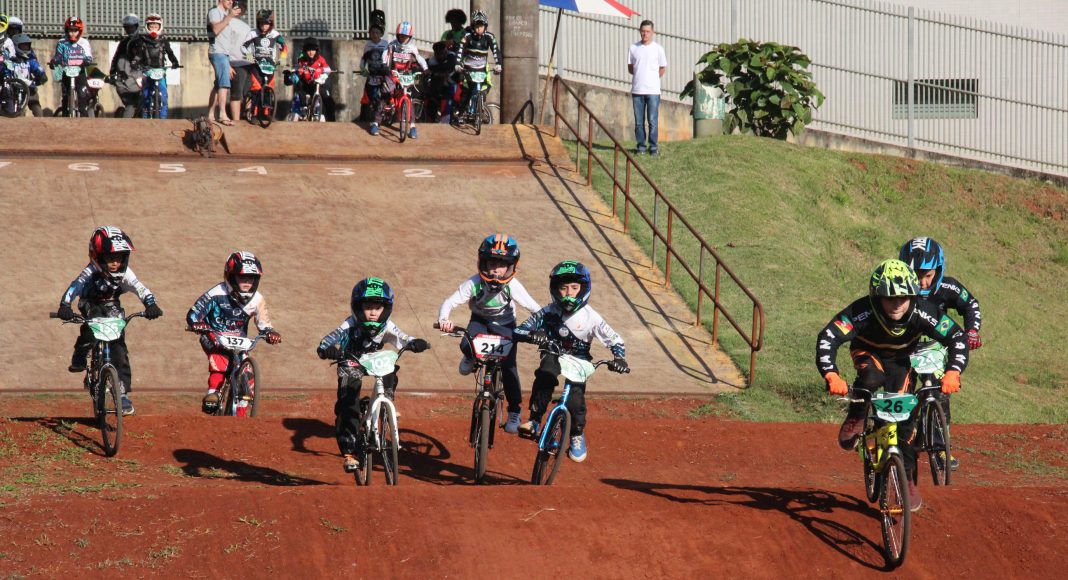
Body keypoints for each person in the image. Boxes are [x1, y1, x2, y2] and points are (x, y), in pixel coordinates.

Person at [816, 259, 970, 512]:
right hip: (868, 353)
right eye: (890, 298)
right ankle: (857, 413)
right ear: (877, 297)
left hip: (902, 360)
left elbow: (956, 336)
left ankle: (907, 480)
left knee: (905, 422)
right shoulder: (861, 311)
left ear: (913, 296)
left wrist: (953, 371)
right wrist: (831, 375)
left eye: (904, 297)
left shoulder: (923, 311)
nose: (897, 304)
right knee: (871, 378)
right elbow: (829, 336)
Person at [513, 261, 629, 462]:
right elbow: (519, 330)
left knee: (576, 399)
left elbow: (615, 339)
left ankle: (576, 434)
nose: (569, 293)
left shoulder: (591, 317)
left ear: (583, 289)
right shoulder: (548, 311)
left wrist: (619, 358)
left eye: (574, 288)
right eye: (563, 288)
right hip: (553, 352)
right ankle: (534, 420)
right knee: (545, 374)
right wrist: (533, 334)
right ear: (555, 289)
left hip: (580, 360)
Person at [317, 278, 430, 473]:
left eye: (377, 308)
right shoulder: (350, 323)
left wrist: (415, 343)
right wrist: (325, 348)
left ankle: (386, 404)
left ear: (386, 309)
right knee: (348, 402)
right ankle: (349, 452)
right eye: (367, 307)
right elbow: (331, 337)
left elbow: (402, 337)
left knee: (390, 370)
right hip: (351, 360)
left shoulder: (387, 325)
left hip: (374, 361)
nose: (372, 312)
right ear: (357, 307)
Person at [438, 234, 541, 434]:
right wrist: (444, 319)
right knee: (467, 344)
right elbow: (449, 302)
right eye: (492, 263)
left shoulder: (512, 285)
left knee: (509, 367)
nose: (496, 270)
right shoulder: (474, 282)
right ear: (483, 263)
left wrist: (540, 328)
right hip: (480, 321)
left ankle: (514, 411)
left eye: (502, 265)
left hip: (506, 325)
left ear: (512, 267)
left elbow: (535, 309)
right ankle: (471, 357)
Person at [57, 227, 164, 417]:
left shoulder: (125, 272)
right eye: (109, 257)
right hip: (90, 303)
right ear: (97, 256)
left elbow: (140, 288)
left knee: (119, 348)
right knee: (91, 326)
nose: (115, 262)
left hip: (112, 304)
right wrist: (65, 305)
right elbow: (74, 287)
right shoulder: (90, 271)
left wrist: (151, 304)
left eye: (119, 257)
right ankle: (81, 352)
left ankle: (122, 395)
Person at [898, 236, 982, 471]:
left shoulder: (948, 287)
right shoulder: (896, 290)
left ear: (939, 269)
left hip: (935, 349)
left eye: (928, 275)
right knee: (902, 394)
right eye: (916, 275)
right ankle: (902, 443)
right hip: (903, 349)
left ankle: (941, 448)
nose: (922, 282)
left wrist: (972, 331)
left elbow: (970, 304)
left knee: (940, 393)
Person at [187, 251, 282, 416]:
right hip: (213, 336)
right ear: (230, 276)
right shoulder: (216, 293)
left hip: (239, 341)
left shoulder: (257, 299)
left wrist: (270, 333)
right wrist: (197, 324)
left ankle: (241, 415)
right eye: (242, 277)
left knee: (247, 374)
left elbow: (264, 324)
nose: (247, 282)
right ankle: (213, 393)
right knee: (220, 359)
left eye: (251, 278)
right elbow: (193, 314)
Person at [371, 20, 427, 138]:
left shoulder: (412, 48)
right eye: (401, 36)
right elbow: (385, 55)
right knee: (385, 96)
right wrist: (384, 65)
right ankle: (376, 123)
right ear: (397, 35)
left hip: (406, 75)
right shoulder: (392, 45)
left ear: (410, 37)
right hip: (392, 73)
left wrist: (425, 68)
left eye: (405, 37)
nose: (403, 39)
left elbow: (419, 58)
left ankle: (412, 127)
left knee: (408, 98)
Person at [627, 20, 667, 156]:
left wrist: (653, 78)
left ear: (652, 32)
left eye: (648, 31)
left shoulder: (658, 49)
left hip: (653, 91)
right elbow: (630, 68)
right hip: (637, 90)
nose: (645, 34)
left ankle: (653, 147)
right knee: (639, 122)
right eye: (643, 31)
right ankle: (641, 147)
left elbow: (662, 68)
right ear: (640, 32)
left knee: (652, 121)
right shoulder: (633, 48)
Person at [453, 10, 501, 123]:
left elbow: (496, 51)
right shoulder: (467, 36)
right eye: (477, 26)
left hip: (482, 71)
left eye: (481, 26)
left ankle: (479, 111)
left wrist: (499, 64)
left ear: (485, 26)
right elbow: (460, 50)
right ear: (473, 26)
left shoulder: (490, 37)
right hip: (468, 71)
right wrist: (457, 63)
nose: (479, 28)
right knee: (466, 93)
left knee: (482, 92)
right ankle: (460, 113)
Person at [128, 14, 180, 119]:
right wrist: (134, 62)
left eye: (156, 26)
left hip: (161, 71)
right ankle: (145, 118)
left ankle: (163, 120)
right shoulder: (142, 41)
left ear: (160, 27)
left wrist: (175, 62)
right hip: (147, 71)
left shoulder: (164, 41)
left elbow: (170, 53)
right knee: (146, 96)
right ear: (147, 27)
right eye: (151, 26)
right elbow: (138, 55)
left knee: (164, 96)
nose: (154, 29)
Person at [241, 9, 287, 121]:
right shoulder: (253, 33)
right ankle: (254, 113)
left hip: (270, 66)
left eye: (266, 24)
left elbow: (284, 47)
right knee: (256, 89)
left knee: (268, 89)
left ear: (271, 24)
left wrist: (282, 59)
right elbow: (243, 46)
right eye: (261, 23)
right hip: (256, 65)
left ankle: (266, 113)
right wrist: (249, 56)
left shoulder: (275, 34)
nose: (263, 26)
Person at [49, 17, 94, 117]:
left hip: (80, 72)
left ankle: (84, 118)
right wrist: (54, 61)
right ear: (66, 30)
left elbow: (89, 56)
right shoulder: (62, 42)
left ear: (80, 31)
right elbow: (58, 56)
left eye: (75, 31)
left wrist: (87, 60)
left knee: (82, 94)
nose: (72, 33)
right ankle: (65, 115)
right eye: (70, 30)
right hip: (66, 71)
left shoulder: (84, 42)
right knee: (65, 96)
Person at [285, 37, 332, 122]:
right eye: (308, 50)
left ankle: (332, 120)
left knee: (327, 98)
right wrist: (296, 72)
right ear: (305, 51)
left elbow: (328, 69)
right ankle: (301, 111)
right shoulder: (301, 59)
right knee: (299, 92)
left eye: (313, 50)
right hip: (305, 84)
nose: (311, 52)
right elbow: (297, 69)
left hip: (317, 84)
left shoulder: (320, 59)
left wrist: (321, 70)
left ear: (316, 50)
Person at [207, 0, 238, 125]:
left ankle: (210, 114)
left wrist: (228, 63)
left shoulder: (225, 15)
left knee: (218, 85)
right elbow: (215, 29)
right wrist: (229, 16)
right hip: (218, 51)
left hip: (223, 54)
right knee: (224, 85)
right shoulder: (215, 12)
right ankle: (222, 114)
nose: (231, 2)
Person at [223, 0, 251, 125]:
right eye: (237, 7)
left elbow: (248, 46)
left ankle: (248, 118)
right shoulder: (227, 22)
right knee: (236, 94)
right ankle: (236, 121)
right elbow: (224, 45)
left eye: (242, 7)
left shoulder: (246, 26)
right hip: (235, 64)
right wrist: (227, 64)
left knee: (250, 93)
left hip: (248, 64)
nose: (239, 10)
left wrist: (252, 61)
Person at [109, 14, 142, 118]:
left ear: (136, 27)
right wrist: (112, 73)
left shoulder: (143, 41)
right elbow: (115, 59)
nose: (129, 30)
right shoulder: (123, 43)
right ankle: (125, 124)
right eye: (127, 27)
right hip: (124, 81)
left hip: (139, 80)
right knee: (130, 105)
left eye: (131, 27)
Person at [8, 33, 47, 116]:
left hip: (28, 87)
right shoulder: (10, 60)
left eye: (27, 46)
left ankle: (41, 121)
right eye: (23, 46)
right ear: (15, 46)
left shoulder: (30, 60)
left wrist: (42, 75)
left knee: (36, 106)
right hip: (12, 87)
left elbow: (37, 67)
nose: (26, 48)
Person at [358, 20, 389, 124]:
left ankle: (387, 114)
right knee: (371, 96)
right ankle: (371, 117)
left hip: (384, 75)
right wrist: (363, 69)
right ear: (370, 34)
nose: (375, 35)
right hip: (372, 75)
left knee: (387, 95)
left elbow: (389, 59)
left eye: (377, 32)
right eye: (372, 33)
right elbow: (363, 59)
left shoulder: (385, 44)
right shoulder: (368, 45)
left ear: (381, 34)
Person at [424, 40, 458, 123]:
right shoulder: (432, 61)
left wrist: (433, 69)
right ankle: (429, 122)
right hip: (437, 86)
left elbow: (448, 66)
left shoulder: (451, 56)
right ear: (435, 53)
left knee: (447, 103)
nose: (442, 55)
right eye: (439, 53)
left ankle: (446, 122)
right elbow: (425, 65)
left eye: (444, 52)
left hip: (451, 85)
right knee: (430, 101)